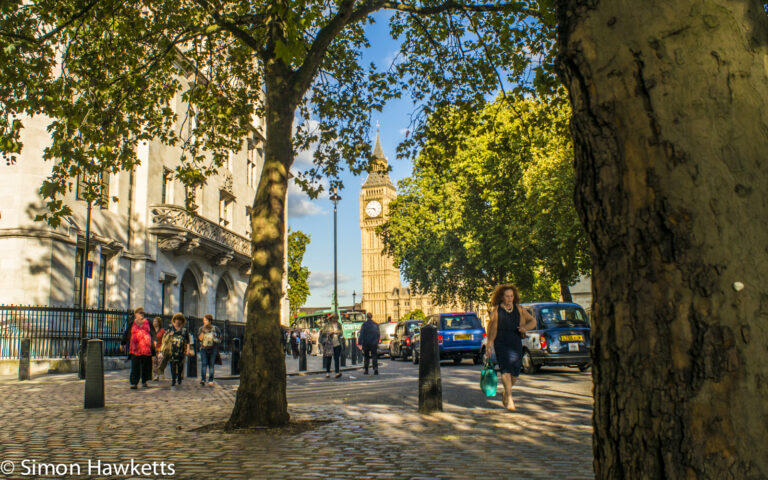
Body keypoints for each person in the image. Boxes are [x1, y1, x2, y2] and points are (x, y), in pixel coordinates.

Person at [486, 284, 537, 411]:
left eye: (511, 296)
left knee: (515, 373)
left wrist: (525, 328)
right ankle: (509, 399)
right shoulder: (497, 310)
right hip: (501, 342)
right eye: (507, 296)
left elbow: (533, 321)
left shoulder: (519, 309)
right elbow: (491, 329)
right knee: (505, 370)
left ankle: (506, 391)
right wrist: (489, 345)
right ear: (502, 297)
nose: (509, 299)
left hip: (515, 341)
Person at [120, 307, 156, 389]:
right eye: (140, 313)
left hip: (146, 348)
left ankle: (145, 381)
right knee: (135, 365)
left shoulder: (148, 322)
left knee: (146, 365)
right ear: (135, 314)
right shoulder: (132, 323)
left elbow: (153, 332)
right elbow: (126, 333)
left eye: (143, 313)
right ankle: (134, 382)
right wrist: (122, 343)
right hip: (135, 348)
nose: (142, 314)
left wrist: (155, 341)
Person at [165, 313, 190, 387]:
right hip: (172, 350)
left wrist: (188, 349)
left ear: (182, 322)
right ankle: (173, 380)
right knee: (172, 365)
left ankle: (179, 377)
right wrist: (169, 335)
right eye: (176, 320)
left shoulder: (184, 330)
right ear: (174, 320)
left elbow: (187, 340)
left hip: (181, 351)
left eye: (180, 320)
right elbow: (165, 337)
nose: (178, 322)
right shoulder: (170, 328)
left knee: (180, 366)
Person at [197, 314, 221, 386]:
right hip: (204, 348)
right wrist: (203, 331)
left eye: (206, 320)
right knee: (204, 363)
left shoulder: (215, 328)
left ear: (210, 321)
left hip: (212, 348)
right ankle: (203, 379)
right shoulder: (201, 329)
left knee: (211, 365)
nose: (204, 322)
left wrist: (215, 338)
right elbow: (200, 339)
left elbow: (220, 338)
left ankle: (211, 380)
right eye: (204, 320)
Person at [152, 317, 166, 381]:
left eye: (156, 321)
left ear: (159, 322)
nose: (154, 323)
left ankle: (160, 371)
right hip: (153, 348)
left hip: (160, 348)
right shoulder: (151, 330)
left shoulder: (162, 331)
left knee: (160, 361)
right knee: (154, 361)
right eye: (154, 321)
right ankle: (156, 375)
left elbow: (165, 339)